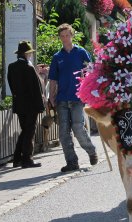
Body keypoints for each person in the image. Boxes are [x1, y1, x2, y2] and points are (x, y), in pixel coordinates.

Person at [48, 23, 98, 172]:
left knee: (77, 127)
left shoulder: (81, 52)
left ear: (71, 35)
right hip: (62, 98)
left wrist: (90, 91)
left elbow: (91, 72)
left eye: (67, 35)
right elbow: (53, 79)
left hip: (77, 98)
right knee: (64, 133)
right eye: (62, 36)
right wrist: (51, 96)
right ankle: (72, 162)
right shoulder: (57, 57)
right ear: (60, 37)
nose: (65, 38)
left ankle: (91, 151)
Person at [8, 41, 44, 168]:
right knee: (29, 132)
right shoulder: (29, 67)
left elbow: (12, 86)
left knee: (25, 130)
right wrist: (41, 106)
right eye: (29, 53)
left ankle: (17, 159)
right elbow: (36, 89)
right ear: (25, 54)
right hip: (31, 106)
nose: (30, 55)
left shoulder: (11, 67)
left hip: (19, 105)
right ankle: (27, 160)